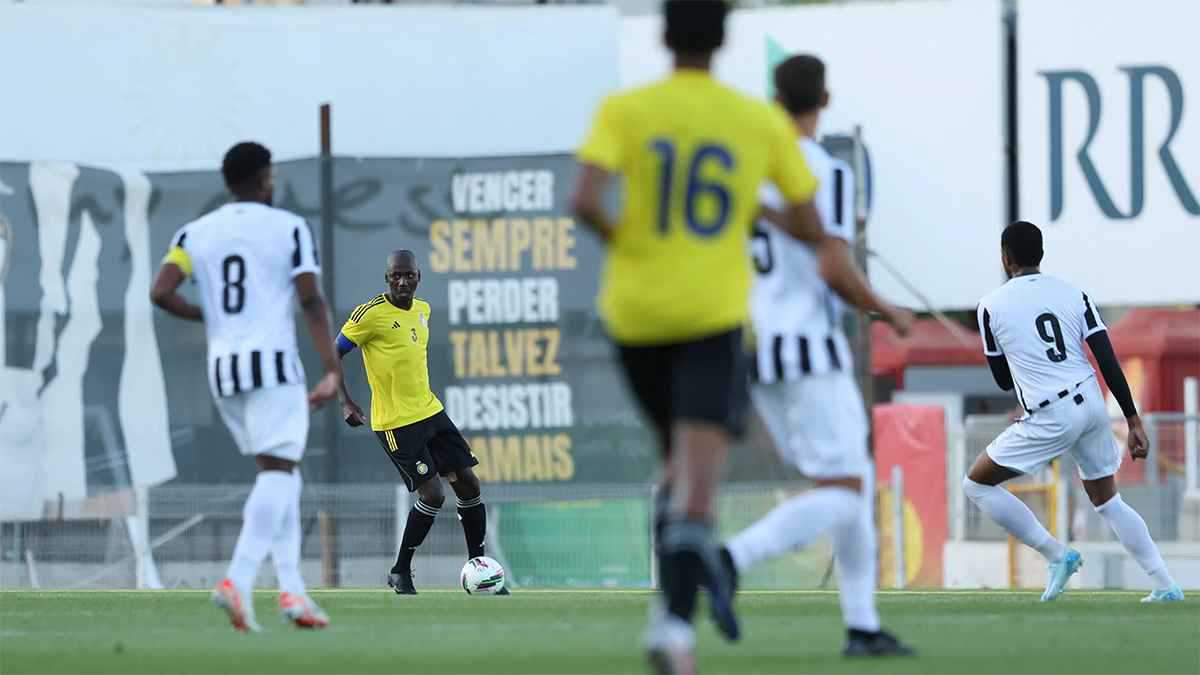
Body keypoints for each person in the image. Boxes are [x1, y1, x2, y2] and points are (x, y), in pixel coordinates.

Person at [571, 3, 897, 672]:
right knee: (697, 482)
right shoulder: (753, 122)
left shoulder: (624, 108)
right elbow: (815, 231)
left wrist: (630, 246)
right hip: (713, 319)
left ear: (664, 34)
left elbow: (584, 201)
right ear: (723, 38)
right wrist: (761, 208)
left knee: (670, 464)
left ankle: (692, 607)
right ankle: (675, 625)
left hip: (635, 313)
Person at [722, 54, 915, 658]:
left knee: (851, 480)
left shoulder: (749, 168)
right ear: (823, 100)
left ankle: (862, 626)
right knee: (849, 487)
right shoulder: (822, 169)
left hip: (758, 349)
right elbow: (832, 266)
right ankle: (729, 558)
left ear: (776, 99)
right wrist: (887, 309)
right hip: (809, 346)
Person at [151, 141, 341, 632]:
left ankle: (293, 591)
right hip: (272, 365)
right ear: (263, 178)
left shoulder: (195, 232)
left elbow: (161, 291)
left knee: (282, 472)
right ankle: (237, 578)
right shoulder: (289, 227)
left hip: (224, 371)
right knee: (278, 473)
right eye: (271, 175)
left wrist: (209, 316)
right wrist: (332, 370)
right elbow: (311, 301)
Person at [967, 220, 1183, 603]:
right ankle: (1165, 584)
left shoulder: (990, 305)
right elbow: (1106, 358)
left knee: (977, 484)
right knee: (1109, 501)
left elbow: (1002, 380)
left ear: (1005, 258)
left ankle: (1055, 554)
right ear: (1042, 254)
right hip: (1091, 401)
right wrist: (1133, 419)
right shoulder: (1073, 293)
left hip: (1051, 413)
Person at [336, 250, 500, 595]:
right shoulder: (369, 315)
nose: (402, 281)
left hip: (430, 411)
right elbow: (332, 352)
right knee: (434, 494)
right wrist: (345, 400)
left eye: (408, 275)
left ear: (418, 277)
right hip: (395, 423)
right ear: (387, 278)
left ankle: (480, 568)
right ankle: (400, 571)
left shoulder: (423, 310)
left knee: (469, 484)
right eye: (395, 275)